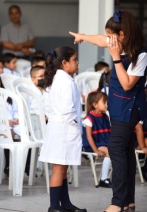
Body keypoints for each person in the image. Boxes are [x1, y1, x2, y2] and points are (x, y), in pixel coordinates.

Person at [69, 10, 147, 212]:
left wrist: (116, 59)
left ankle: (117, 203)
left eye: (110, 36)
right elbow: (99, 40)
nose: (107, 40)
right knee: (126, 153)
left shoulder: (140, 55)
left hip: (130, 110)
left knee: (117, 150)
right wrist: (82, 37)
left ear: (122, 35)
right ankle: (128, 202)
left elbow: (127, 84)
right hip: (120, 109)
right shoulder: (117, 44)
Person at [39, 46, 87, 212]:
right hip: (64, 129)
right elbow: (68, 108)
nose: (78, 63)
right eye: (74, 60)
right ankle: (53, 207)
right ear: (65, 63)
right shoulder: (64, 81)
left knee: (63, 168)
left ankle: (65, 204)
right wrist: (74, 123)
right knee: (59, 168)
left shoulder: (58, 79)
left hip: (59, 127)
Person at [82, 91, 112, 188]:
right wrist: (95, 150)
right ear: (95, 105)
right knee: (109, 152)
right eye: (104, 102)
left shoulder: (105, 116)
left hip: (103, 142)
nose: (107, 104)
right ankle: (104, 179)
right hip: (93, 145)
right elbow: (89, 136)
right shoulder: (89, 119)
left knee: (118, 150)